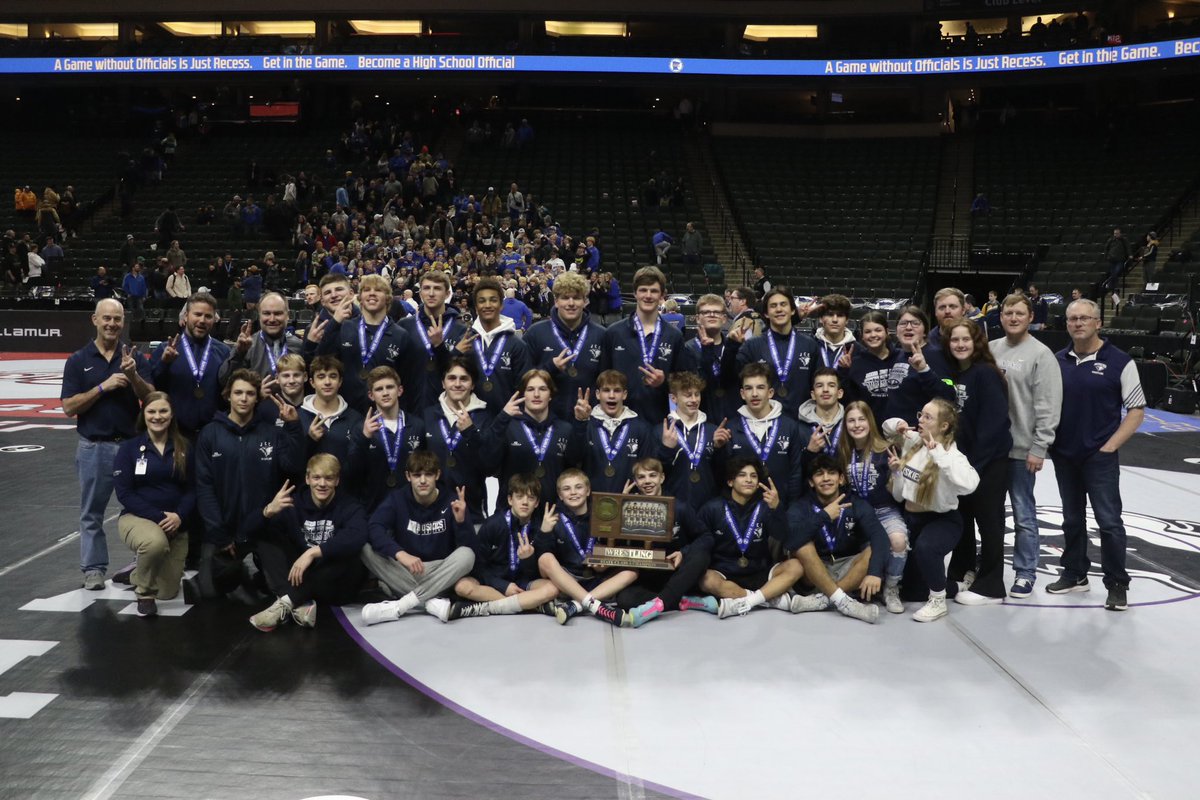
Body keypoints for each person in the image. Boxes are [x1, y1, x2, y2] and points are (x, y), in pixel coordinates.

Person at [1047, 299, 1145, 611]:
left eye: (1084, 318)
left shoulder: (1119, 361)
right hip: (1065, 454)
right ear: (1066, 324)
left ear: (1098, 322)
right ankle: (1075, 573)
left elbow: (1136, 410)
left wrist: (1111, 445)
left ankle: (1117, 583)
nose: (1078, 323)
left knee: (1109, 521)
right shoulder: (1057, 360)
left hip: (1099, 456)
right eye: (1072, 319)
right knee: (1071, 519)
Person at [61, 299, 152, 589]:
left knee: (145, 508)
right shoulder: (78, 360)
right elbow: (68, 407)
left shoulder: (133, 356)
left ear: (123, 322)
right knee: (92, 512)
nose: (112, 324)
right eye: (107, 318)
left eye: (117, 319)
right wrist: (103, 387)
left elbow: (150, 396)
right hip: (93, 447)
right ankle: (94, 570)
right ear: (95, 320)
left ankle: (144, 565)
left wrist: (132, 375)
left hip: (131, 447)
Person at [191, 370, 302, 602]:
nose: (243, 398)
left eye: (250, 394)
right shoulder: (210, 434)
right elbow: (204, 487)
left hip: (263, 526)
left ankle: (261, 576)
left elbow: (292, 466)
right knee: (210, 592)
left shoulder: (272, 433)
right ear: (228, 396)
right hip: (225, 529)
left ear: (257, 399)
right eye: (238, 393)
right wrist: (219, 533)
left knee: (285, 592)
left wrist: (293, 426)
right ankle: (239, 573)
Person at [989, 293, 1062, 598]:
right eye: (1008, 313)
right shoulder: (991, 349)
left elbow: (1048, 405)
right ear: (1001, 316)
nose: (1013, 318)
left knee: (1023, 513)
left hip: (1021, 450)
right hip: (991, 450)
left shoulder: (1041, 355)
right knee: (990, 514)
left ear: (1031, 317)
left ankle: (1025, 571)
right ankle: (988, 567)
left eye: (1020, 313)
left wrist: (1039, 446)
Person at [883, 399, 980, 622]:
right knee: (912, 592)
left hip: (942, 520)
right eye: (921, 414)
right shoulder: (913, 442)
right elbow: (887, 427)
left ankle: (938, 602)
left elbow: (969, 484)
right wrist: (898, 424)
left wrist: (937, 453)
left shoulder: (953, 456)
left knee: (926, 549)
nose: (920, 420)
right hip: (911, 519)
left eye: (928, 417)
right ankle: (956, 586)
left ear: (944, 426)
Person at [246, 455, 369, 631]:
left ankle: (286, 602)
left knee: (353, 553)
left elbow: (359, 536)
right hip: (301, 577)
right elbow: (248, 531)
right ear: (307, 478)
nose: (322, 484)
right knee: (266, 538)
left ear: (337, 480)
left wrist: (313, 552)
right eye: (317, 477)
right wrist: (268, 511)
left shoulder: (349, 505)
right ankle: (301, 603)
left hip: (334, 584)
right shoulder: (293, 503)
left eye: (329, 478)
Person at [941, 319, 1013, 607]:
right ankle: (964, 570)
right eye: (954, 340)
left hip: (988, 463)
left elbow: (994, 425)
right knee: (964, 519)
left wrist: (975, 466)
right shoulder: (956, 375)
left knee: (989, 521)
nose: (960, 344)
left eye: (965, 340)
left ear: (977, 343)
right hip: (964, 463)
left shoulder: (986, 373)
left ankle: (992, 584)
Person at [359, 451, 478, 625]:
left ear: (437, 474)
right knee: (365, 548)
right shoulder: (397, 499)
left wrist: (461, 523)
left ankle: (402, 604)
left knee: (467, 554)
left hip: (440, 569)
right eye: (417, 475)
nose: (423, 480)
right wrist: (400, 554)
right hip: (406, 570)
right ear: (408, 476)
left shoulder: (451, 501)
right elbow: (374, 527)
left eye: (428, 474)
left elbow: (468, 548)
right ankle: (431, 601)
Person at [429, 474, 561, 622]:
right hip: (493, 583)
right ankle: (531, 606)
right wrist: (503, 586)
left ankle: (486, 608)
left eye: (531, 498)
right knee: (462, 586)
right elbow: (478, 567)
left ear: (537, 503)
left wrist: (527, 560)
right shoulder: (492, 525)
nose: (525, 502)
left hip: (523, 582)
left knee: (553, 588)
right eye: (519, 497)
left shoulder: (539, 527)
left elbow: (536, 573)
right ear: (510, 500)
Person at [683, 456, 802, 619]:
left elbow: (782, 536)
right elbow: (698, 540)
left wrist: (777, 509)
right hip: (725, 571)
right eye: (742, 475)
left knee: (796, 566)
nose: (749, 480)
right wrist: (683, 552)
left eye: (753, 476)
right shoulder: (712, 508)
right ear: (730, 481)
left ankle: (746, 600)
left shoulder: (766, 506)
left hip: (760, 570)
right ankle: (768, 600)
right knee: (706, 579)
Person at [113, 393, 194, 617]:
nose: (157, 416)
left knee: (167, 592)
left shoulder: (184, 446)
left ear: (171, 415)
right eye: (151, 411)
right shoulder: (129, 449)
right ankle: (144, 593)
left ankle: (134, 574)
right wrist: (159, 517)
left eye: (163, 411)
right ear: (144, 414)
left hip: (176, 522)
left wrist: (179, 516)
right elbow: (125, 494)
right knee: (155, 543)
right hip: (137, 518)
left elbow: (193, 489)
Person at [784, 454, 886, 623]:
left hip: (848, 571)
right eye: (819, 474)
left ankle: (825, 600)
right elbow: (790, 542)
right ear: (811, 482)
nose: (826, 479)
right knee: (802, 546)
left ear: (841, 479)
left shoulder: (856, 503)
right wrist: (823, 516)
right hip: (815, 571)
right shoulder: (800, 507)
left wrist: (875, 572)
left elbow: (880, 537)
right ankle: (845, 602)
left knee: (870, 550)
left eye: (831, 473)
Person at [533, 468, 638, 625]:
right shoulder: (552, 517)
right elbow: (542, 566)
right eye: (567, 489)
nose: (573, 492)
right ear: (560, 495)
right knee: (545, 559)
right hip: (567, 580)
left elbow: (614, 548)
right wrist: (544, 532)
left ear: (588, 491)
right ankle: (597, 606)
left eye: (579, 487)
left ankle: (576, 605)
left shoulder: (603, 514)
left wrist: (604, 563)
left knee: (632, 571)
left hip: (595, 579)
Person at [617, 458, 713, 628]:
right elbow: (614, 543)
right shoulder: (627, 508)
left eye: (652, 475)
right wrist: (621, 507)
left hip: (676, 574)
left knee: (701, 556)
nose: (647, 481)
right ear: (635, 482)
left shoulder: (679, 507)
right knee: (625, 599)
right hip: (647, 577)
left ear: (661, 478)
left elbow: (706, 536)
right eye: (641, 477)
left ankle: (659, 604)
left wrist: (684, 552)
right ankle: (683, 601)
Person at [839, 401, 908, 613]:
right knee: (867, 553)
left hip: (884, 510)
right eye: (851, 420)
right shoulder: (842, 452)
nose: (857, 425)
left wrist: (897, 473)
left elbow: (898, 495)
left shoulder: (886, 449)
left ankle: (891, 588)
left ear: (870, 422)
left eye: (862, 419)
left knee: (898, 540)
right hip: (856, 514)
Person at [309, 274, 411, 413]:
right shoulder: (345, 327)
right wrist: (334, 324)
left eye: (378, 290)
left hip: (384, 412)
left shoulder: (401, 335)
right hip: (347, 411)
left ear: (388, 298)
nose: (372, 294)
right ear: (360, 297)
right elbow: (321, 361)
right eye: (367, 290)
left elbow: (405, 380)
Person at [600, 266, 685, 425]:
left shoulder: (674, 336)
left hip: (659, 422)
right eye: (643, 290)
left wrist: (664, 382)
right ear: (635, 293)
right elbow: (602, 378)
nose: (648, 295)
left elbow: (683, 384)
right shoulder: (613, 333)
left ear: (662, 295)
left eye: (653, 291)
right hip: (618, 421)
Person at [487, 369, 583, 507]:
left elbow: (574, 467)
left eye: (543, 389)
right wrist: (500, 420)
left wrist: (581, 423)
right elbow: (488, 464)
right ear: (522, 394)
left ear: (550, 395)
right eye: (530, 389)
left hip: (551, 513)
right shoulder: (507, 426)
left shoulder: (565, 429)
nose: (536, 394)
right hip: (513, 513)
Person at [525, 271, 607, 422]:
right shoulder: (535, 333)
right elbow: (522, 381)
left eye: (576, 298)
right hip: (545, 424)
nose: (571, 303)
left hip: (589, 421)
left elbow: (607, 382)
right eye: (565, 297)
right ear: (556, 301)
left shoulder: (601, 335)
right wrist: (550, 368)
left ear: (585, 301)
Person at [725, 363, 806, 511]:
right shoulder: (731, 428)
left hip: (780, 507)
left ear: (770, 392)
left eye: (760, 387)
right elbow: (726, 473)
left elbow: (795, 472)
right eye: (749, 388)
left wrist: (791, 507)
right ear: (742, 394)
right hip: (744, 512)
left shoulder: (789, 426)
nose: (754, 394)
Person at [150, 292, 231, 438]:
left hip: (213, 435)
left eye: (208, 316)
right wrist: (164, 364)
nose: (202, 320)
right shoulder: (164, 349)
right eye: (197, 314)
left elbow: (228, 394)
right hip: (175, 435)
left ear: (214, 319)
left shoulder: (224, 352)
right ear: (186, 316)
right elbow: (152, 391)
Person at [422, 357, 493, 524]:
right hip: (431, 508)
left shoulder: (485, 418)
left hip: (472, 508)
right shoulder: (427, 416)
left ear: (473, 384)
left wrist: (470, 431)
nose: (458, 384)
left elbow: (490, 465)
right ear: (443, 383)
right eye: (452, 378)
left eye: (464, 379)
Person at [735, 286, 821, 418]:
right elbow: (734, 380)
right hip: (764, 422)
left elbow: (818, 384)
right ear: (766, 313)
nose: (779, 309)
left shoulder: (809, 345)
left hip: (801, 420)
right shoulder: (752, 345)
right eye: (773, 306)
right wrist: (732, 345)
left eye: (783, 304)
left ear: (792, 310)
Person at [348, 366, 424, 512]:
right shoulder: (361, 428)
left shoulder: (417, 425)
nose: (385, 393)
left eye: (390, 387)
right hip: (373, 508)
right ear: (371, 395)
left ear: (400, 391)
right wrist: (365, 438)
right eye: (379, 389)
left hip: (411, 508)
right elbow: (351, 472)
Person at [397, 270, 468, 415]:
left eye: (437, 288)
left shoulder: (461, 331)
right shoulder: (404, 326)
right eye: (426, 288)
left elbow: (463, 373)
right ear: (420, 292)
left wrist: (440, 347)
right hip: (410, 406)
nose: (431, 293)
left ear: (447, 294)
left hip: (448, 410)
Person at [459, 277, 531, 414]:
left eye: (493, 300)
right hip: (469, 422)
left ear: (501, 305)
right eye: (482, 301)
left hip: (507, 423)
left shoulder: (517, 345)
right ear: (475, 307)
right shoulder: (464, 342)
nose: (487, 305)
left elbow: (524, 389)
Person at [661, 372, 730, 511]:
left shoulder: (713, 431)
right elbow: (654, 473)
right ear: (673, 398)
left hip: (708, 505)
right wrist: (666, 449)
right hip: (673, 506)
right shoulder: (661, 431)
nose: (694, 400)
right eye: (688, 395)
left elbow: (723, 474)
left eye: (697, 394)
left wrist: (719, 449)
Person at [579, 370, 654, 494]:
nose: (612, 396)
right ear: (598, 394)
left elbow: (647, 469)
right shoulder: (586, 424)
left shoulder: (641, 428)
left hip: (629, 501)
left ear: (624, 395)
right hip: (590, 501)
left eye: (617, 390)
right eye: (606, 390)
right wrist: (580, 422)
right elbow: (572, 459)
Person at [885, 306, 956, 425]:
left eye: (915, 323)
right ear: (896, 331)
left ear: (924, 332)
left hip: (922, 436)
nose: (908, 327)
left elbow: (948, 395)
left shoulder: (936, 355)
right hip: (898, 435)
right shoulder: (899, 355)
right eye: (903, 323)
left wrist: (924, 370)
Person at [218, 293, 302, 383]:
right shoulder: (247, 346)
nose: (272, 319)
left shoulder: (298, 346)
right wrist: (239, 354)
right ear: (259, 315)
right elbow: (224, 381)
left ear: (288, 315)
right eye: (266, 313)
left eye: (278, 313)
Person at [844, 310, 902, 421]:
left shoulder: (902, 358)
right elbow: (850, 401)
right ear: (862, 336)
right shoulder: (855, 364)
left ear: (887, 332)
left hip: (900, 429)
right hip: (869, 429)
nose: (873, 335)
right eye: (868, 331)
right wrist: (844, 371)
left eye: (878, 330)